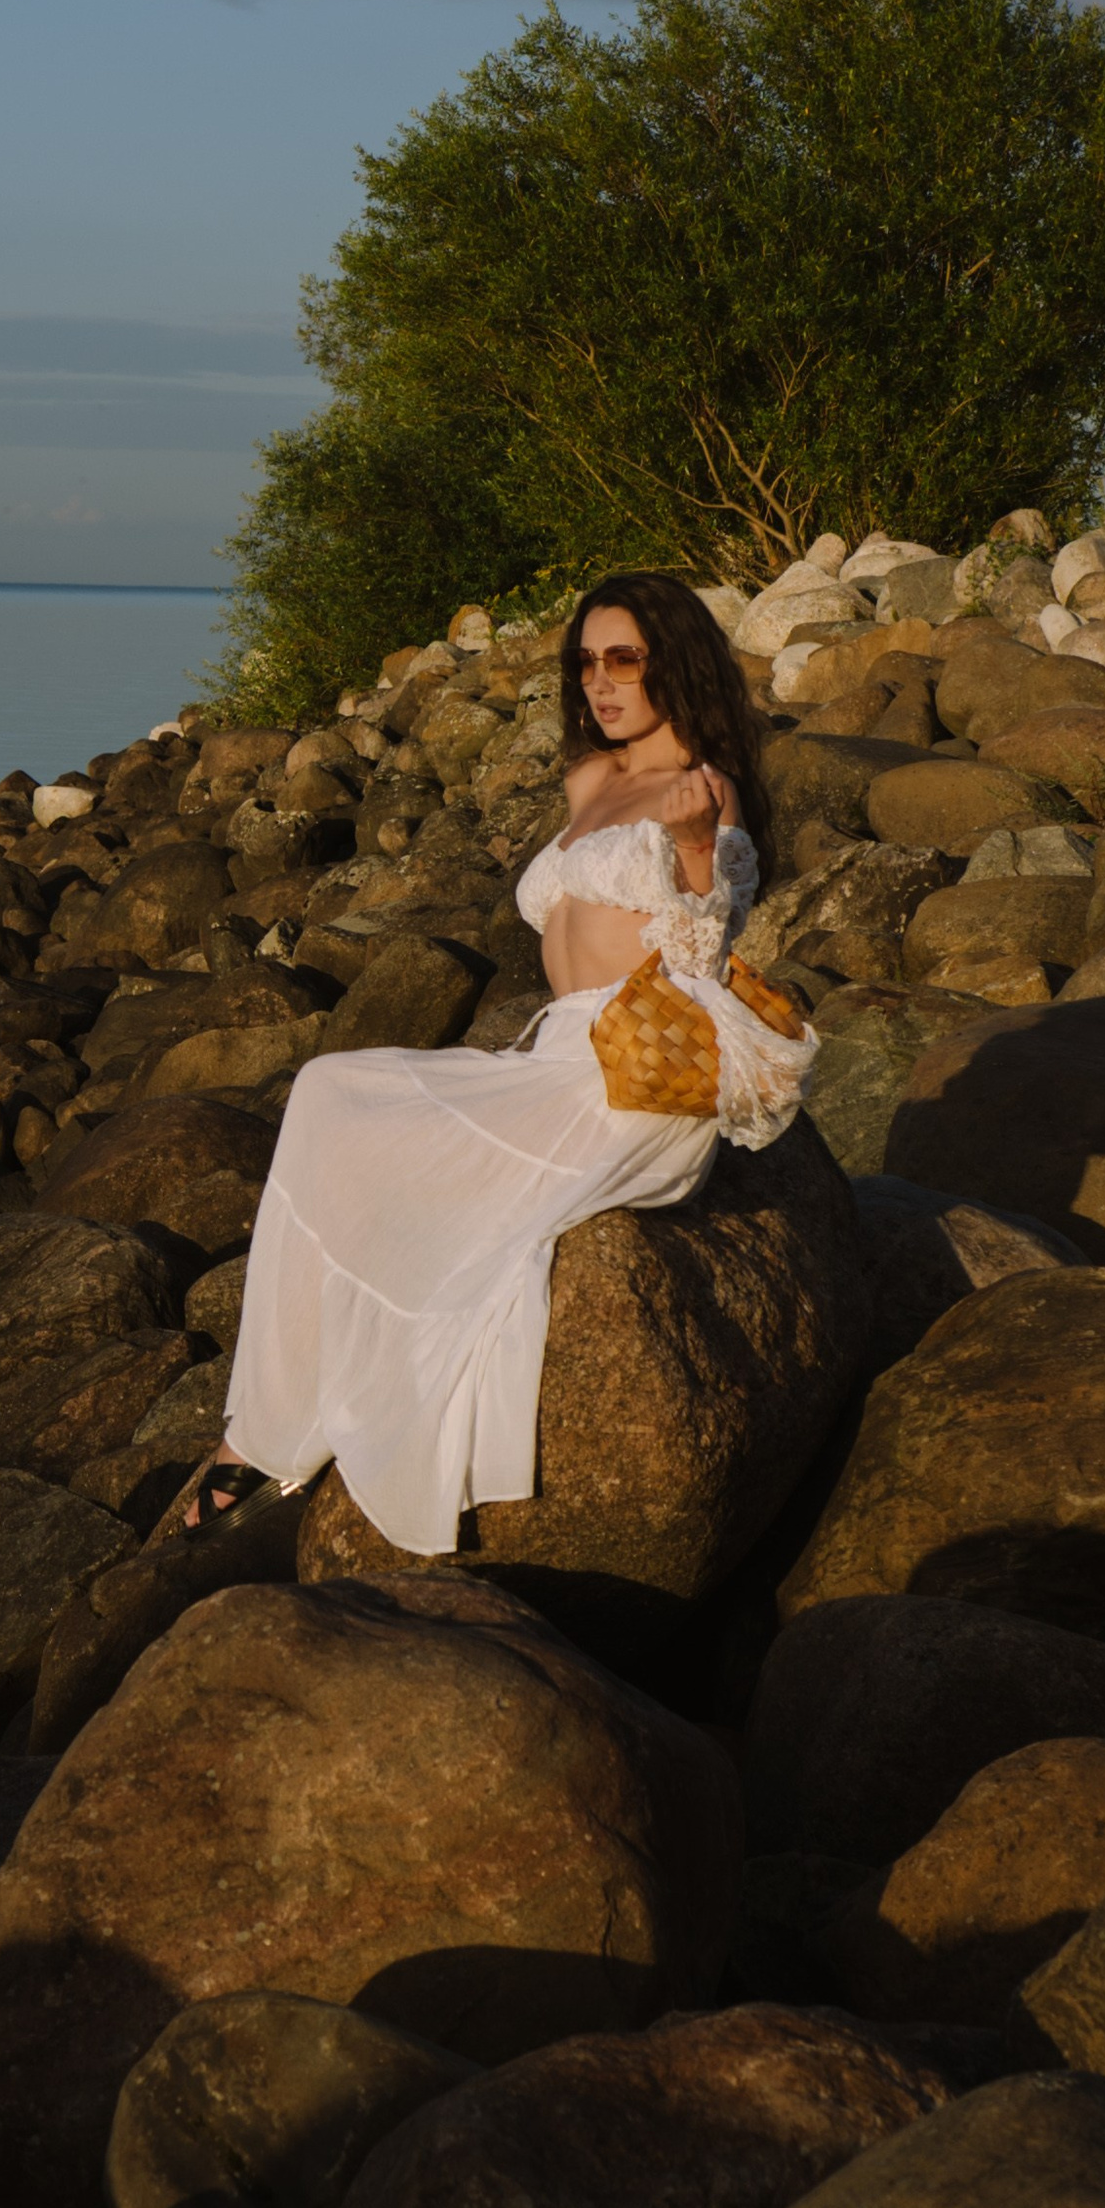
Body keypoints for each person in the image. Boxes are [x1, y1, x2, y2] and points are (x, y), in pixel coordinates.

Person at [183, 569, 815, 1553]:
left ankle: (263, 1441)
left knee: (342, 1106)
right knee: (333, 1094)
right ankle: (272, 1420)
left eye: (623, 659)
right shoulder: (594, 781)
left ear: (674, 665)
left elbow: (701, 939)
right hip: (554, 1053)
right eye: (585, 664)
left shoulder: (705, 787)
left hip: (625, 1075)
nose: (599, 682)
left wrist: (694, 848)